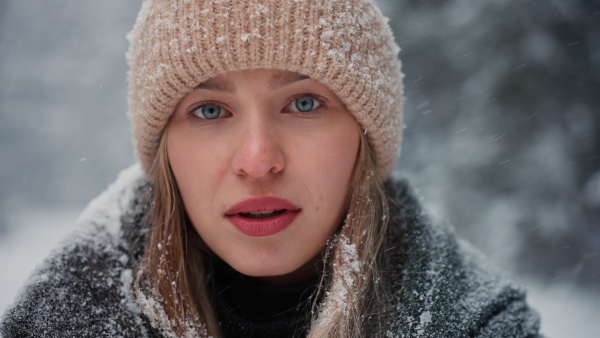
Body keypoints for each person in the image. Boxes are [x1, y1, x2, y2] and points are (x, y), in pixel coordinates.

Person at [0, 0, 542, 337]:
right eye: (209, 110)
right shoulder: (58, 320)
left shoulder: (480, 326)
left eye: (304, 103)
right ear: (165, 150)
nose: (258, 161)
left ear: (365, 136)